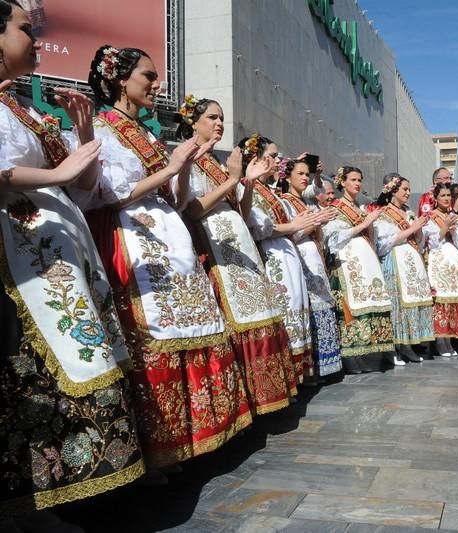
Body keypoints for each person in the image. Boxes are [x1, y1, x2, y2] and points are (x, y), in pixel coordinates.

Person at [0, 4, 144, 524]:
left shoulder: (25, 109)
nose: (35, 38)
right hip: (21, 260)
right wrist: (59, 172)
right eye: (24, 29)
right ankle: (31, 497)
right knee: (35, 370)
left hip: (61, 252)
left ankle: (81, 487)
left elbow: (82, 186)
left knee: (85, 357)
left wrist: (83, 139)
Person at [87, 45, 252, 473]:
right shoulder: (101, 129)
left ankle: (194, 437)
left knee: (193, 329)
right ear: (120, 80)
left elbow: (178, 202)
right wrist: (172, 165)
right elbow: (114, 193)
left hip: (170, 236)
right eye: (148, 76)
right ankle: (161, 447)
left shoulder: (148, 135)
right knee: (155, 337)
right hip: (137, 239)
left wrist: (177, 170)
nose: (156, 84)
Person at [174, 100, 300, 414]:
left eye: (222, 118)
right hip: (212, 248)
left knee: (259, 314)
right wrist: (233, 180)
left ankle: (265, 394)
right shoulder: (183, 155)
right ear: (193, 122)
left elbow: (241, 214)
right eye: (212, 118)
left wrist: (249, 183)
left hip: (238, 244)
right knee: (236, 321)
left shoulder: (218, 162)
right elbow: (192, 208)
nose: (219, 123)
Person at [236, 136, 317, 385]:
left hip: (285, 253)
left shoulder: (271, 193)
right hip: (270, 256)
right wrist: (294, 225)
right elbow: (256, 226)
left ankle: (297, 374)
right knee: (284, 308)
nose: (276, 161)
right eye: (270, 156)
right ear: (256, 159)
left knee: (295, 306)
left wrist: (303, 225)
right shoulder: (244, 187)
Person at [322, 166, 394, 373]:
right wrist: (363, 225)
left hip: (366, 263)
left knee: (371, 299)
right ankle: (352, 359)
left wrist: (369, 224)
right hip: (347, 264)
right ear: (342, 182)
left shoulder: (361, 209)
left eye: (359, 180)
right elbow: (332, 239)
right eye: (353, 179)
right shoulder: (335, 209)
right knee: (352, 306)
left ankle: (372, 356)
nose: (357, 183)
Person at [282, 160, 343, 377]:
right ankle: (311, 370)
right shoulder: (285, 202)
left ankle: (324, 367)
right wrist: (316, 222)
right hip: (301, 257)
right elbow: (291, 234)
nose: (305, 178)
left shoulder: (303, 202)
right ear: (287, 177)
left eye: (307, 174)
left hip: (314, 257)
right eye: (300, 174)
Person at [373, 174, 435, 364]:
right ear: (393, 191)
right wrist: (410, 229)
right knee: (397, 305)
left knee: (412, 303)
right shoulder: (383, 213)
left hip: (412, 261)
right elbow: (382, 244)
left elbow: (419, 241)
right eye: (405, 189)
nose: (408, 193)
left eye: (409, 189)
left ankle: (408, 346)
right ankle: (394, 348)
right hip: (395, 261)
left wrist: (418, 230)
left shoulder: (408, 212)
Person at [421, 183, 458, 356]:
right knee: (441, 300)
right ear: (435, 199)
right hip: (438, 259)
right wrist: (444, 229)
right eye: (442, 195)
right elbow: (427, 242)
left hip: (453, 258)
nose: (446, 199)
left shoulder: (454, 216)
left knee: (455, 299)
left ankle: (450, 339)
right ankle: (440, 341)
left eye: (448, 196)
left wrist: (453, 232)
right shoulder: (429, 217)